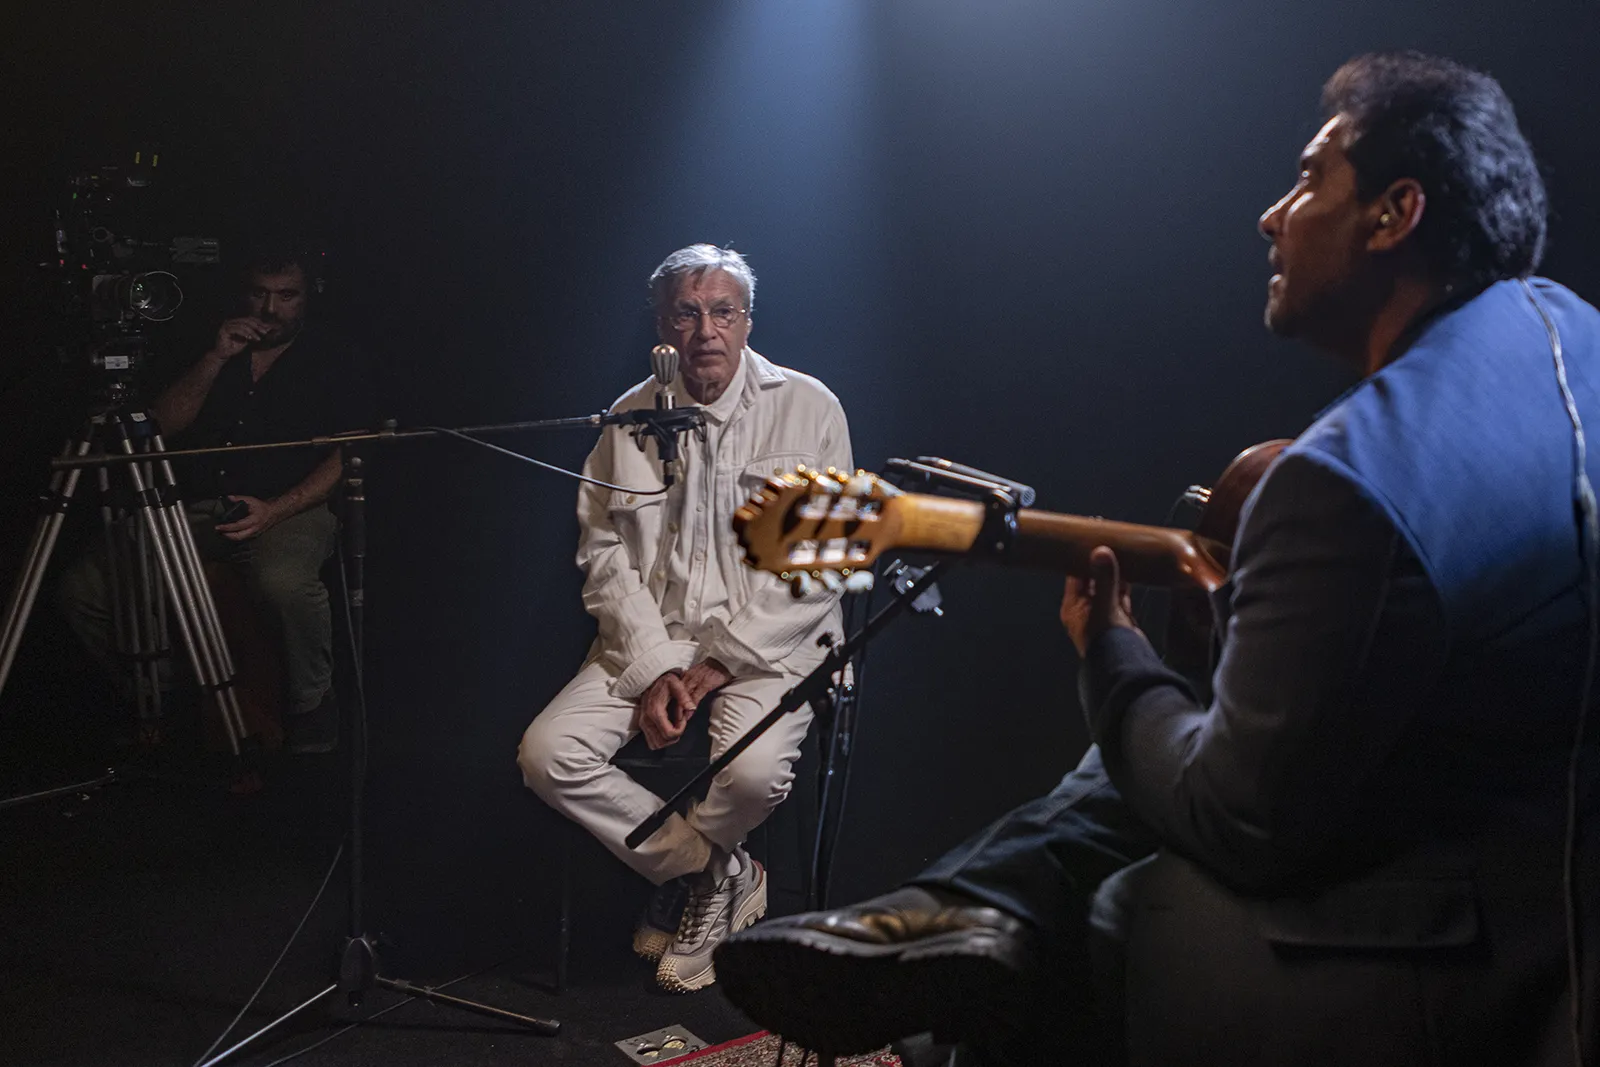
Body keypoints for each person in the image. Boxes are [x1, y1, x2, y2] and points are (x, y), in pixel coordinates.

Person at [715, 52, 1599, 1066]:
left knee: (1095, 912)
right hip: (1541, 824)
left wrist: (1109, 653)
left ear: (1394, 214)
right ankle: (964, 912)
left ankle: (976, 917)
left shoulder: (1348, 480)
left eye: (1310, 179)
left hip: (1476, 937)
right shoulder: (1569, 333)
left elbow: (1235, 817)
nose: (1272, 215)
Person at [517, 244, 854, 992]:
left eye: (723, 311)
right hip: (651, 637)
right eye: (688, 311)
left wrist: (717, 662)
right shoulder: (628, 417)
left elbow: (820, 565)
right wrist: (656, 666)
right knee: (547, 754)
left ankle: (694, 876)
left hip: (771, 645)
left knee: (756, 774)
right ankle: (716, 870)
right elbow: (604, 556)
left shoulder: (811, 407)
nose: (707, 328)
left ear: (747, 322)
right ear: (663, 325)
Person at [60, 247, 374, 754]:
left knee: (283, 583)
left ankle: (312, 707)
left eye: (286, 296)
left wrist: (277, 509)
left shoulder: (334, 355)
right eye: (259, 293)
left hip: (288, 507)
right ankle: (169, 696)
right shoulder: (209, 342)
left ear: (307, 296)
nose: (270, 309)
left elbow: (351, 453)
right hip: (195, 506)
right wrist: (214, 358)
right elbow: (158, 426)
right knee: (84, 590)